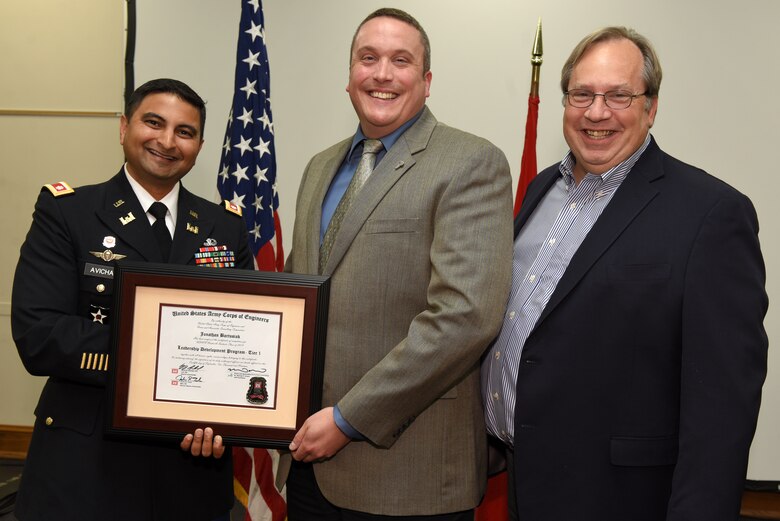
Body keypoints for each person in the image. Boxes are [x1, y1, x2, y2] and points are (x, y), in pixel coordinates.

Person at [481, 26, 768, 521]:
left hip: (623, 499)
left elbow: (722, 409)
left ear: (651, 107)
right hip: (521, 484)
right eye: (582, 95)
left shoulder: (711, 214)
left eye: (619, 95)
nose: (597, 112)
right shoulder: (540, 189)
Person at [281, 8, 513, 520]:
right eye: (369, 58)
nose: (382, 73)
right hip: (306, 466)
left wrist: (346, 420)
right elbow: (293, 296)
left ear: (426, 81)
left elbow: (465, 317)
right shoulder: (320, 166)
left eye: (401, 60)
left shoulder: (470, 162)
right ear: (349, 77)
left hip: (409, 476)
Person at [11, 78, 254, 521]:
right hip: (87, 467)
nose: (167, 141)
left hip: (191, 468)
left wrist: (229, 408)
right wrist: (165, 364)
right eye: (153, 123)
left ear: (199, 145)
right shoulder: (68, 213)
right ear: (124, 127)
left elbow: (244, 340)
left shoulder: (225, 227)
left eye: (185, 131)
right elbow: (40, 333)